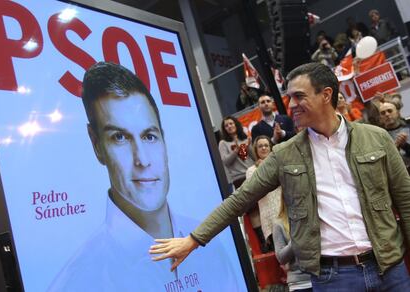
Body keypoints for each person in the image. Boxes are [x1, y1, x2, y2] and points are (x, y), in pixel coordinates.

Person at [150, 62, 410, 291]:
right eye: (289, 98)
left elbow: (406, 201)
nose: (291, 105)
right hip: (333, 279)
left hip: (390, 269)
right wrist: (193, 240)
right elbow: (239, 200)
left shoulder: (375, 138)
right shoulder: (285, 154)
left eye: (299, 96)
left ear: (326, 95)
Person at [49, 62, 240, 291]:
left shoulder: (212, 245)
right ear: (96, 144)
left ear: (163, 138)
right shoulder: (79, 282)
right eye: (119, 137)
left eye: (149, 136)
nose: (142, 160)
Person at [246, 135, 281, 252]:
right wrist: (263, 168)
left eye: (266, 145)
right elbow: (256, 191)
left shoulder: (279, 162)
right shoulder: (251, 171)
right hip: (270, 218)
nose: (264, 148)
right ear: (256, 150)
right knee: (283, 257)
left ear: (271, 148)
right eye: (260, 146)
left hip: (286, 214)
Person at [273, 196, 312, 292]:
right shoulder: (279, 224)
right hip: (299, 283)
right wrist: (296, 238)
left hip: (324, 277)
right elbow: (281, 258)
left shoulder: (313, 215)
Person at [218, 116, 254, 189]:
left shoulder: (245, 138)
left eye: (231, 123)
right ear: (224, 129)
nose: (229, 126)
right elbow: (226, 162)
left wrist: (249, 146)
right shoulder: (223, 143)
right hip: (239, 179)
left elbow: (254, 157)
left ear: (236, 124)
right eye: (226, 126)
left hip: (252, 174)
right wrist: (236, 150)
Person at [379, 101, 410, 173]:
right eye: (383, 113)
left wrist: (405, 145)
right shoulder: (378, 137)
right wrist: (395, 148)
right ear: (380, 118)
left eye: (390, 111)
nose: (387, 114)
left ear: (398, 113)